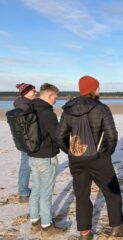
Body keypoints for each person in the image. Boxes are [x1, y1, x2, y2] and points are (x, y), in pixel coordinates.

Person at [56, 76, 123, 240]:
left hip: (77, 159)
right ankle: (117, 227)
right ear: (92, 90)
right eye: (98, 88)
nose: (99, 90)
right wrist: (106, 153)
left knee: (81, 195)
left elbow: (59, 136)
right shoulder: (102, 108)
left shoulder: (68, 110)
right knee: (112, 192)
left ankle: (84, 233)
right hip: (99, 158)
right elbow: (112, 135)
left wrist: (71, 151)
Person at [27, 83, 64, 234]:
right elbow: (58, 136)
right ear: (49, 96)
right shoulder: (47, 113)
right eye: (55, 97)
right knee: (46, 193)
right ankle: (47, 226)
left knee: (36, 190)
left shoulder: (30, 109)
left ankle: (35, 222)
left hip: (32, 156)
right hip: (46, 157)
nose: (56, 100)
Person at [13, 83, 37, 203]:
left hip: (24, 140)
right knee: (26, 166)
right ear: (26, 92)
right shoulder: (25, 106)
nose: (35, 92)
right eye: (33, 90)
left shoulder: (24, 104)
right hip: (27, 141)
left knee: (26, 165)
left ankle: (23, 192)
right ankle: (23, 193)